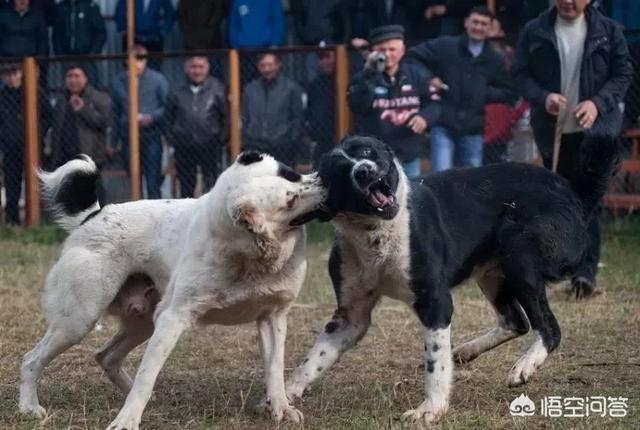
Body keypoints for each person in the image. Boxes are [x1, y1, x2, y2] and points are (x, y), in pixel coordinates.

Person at [511, 0, 633, 297]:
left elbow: (623, 74)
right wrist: (543, 97)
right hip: (553, 129)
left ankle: (585, 274)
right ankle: (560, 265)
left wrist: (597, 103)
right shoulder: (535, 29)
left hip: (595, 130)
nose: (568, 1)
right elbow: (519, 73)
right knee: (560, 199)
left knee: (588, 200)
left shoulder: (608, 30)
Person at [407, 5, 515, 172]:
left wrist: (483, 93)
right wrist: (429, 78)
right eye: (475, 22)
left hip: (473, 128)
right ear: (466, 23)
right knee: (441, 177)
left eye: (484, 24)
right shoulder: (446, 45)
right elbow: (413, 56)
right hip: (443, 123)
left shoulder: (494, 59)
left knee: (472, 181)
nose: (478, 27)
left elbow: (508, 90)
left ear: (490, 27)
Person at [348, 25, 439, 178]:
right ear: (373, 51)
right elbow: (355, 105)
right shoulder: (362, 77)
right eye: (382, 50)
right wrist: (369, 74)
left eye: (392, 49)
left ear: (402, 50)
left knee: (410, 197)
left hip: (408, 151)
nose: (388, 54)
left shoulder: (417, 75)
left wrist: (425, 117)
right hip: (374, 155)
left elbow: (434, 104)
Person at [111, 45, 170, 199]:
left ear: (146, 60)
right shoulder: (118, 81)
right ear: (126, 60)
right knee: (133, 179)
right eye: (133, 58)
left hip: (151, 135)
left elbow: (167, 107)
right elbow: (115, 113)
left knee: (152, 180)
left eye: (141, 58)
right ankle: (137, 215)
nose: (137, 62)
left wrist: (152, 117)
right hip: (127, 136)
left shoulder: (158, 79)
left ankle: (156, 217)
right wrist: (112, 142)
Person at [166, 56, 228, 198]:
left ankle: (210, 217)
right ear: (187, 69)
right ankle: (187, 216)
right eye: (193, 67)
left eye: (201, 67)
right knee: (186, 185)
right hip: (184, 146)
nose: (197, 71)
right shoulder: (177, 89)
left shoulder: (217, 88)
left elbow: (226, 116)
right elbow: (168, 117)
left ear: (207, 68)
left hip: (210, 145)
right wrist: (173, 138)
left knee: (211, 184)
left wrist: (221, 138)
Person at [49, 65, 111, 204]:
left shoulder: (98, 97)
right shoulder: (62, 100)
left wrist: (83, 109)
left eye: (77, 76)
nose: (73, 80)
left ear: (85, 78)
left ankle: (101, 216)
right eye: (69, 76)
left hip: (90, 153)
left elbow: (104, 122)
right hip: (65, 153)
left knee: (93, 188)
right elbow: (56, 128)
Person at [241, 53, 305, 168]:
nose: (267, 69)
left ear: (278, 65)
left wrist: (291, 140)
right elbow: (244, 116)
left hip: (282, 146)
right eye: (263, 65)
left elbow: (298, 117)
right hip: (255, 145)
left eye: (270, 65)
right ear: (258, 67)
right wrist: (246, 139)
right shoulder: (249, 89)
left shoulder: (291, 88)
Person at [52, 0, 107, 86]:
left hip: (87, 57)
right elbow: (56, 33)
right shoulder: (61, 8)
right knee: (69, 87)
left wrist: (93, 53)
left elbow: (100, 32)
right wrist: (59, 53)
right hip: (67, 57)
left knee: (90, 86)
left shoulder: (90, 6)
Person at [115, 0, 175, 69]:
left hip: (154, 39)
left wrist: (164, 30)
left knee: (154, 68)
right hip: (133, 39)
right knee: (131, 68)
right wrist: (124, 30)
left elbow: (170, 13)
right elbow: (120, 12)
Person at [305, 50, 337, 166]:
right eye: (321, 58)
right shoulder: (315, 84)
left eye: (328, 57)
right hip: (321, 141)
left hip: (344, 138)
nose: (324, 62)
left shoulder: (348, 80)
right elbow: (309, 111)